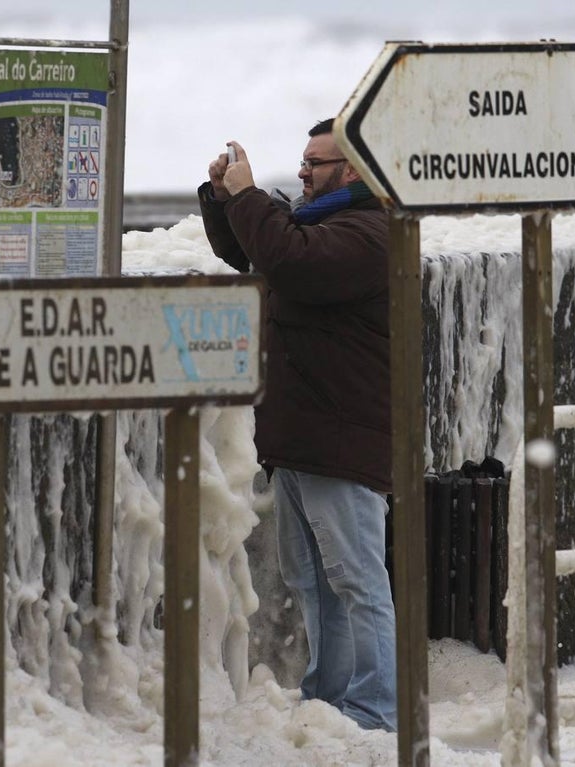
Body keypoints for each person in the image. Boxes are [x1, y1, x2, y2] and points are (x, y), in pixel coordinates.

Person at [198, 118, 397, 731]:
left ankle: (374, 711)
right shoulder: (324, 224)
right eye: (304, 161)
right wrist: (226, 199)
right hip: (303, 436)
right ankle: (328, 700)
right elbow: (253, 250)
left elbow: (289, 261)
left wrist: (253, 197)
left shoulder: (371, 231)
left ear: (356, 170)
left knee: (357, 581)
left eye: (319, 163)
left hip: (341, 436)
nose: (305, 171)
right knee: (311, 580)